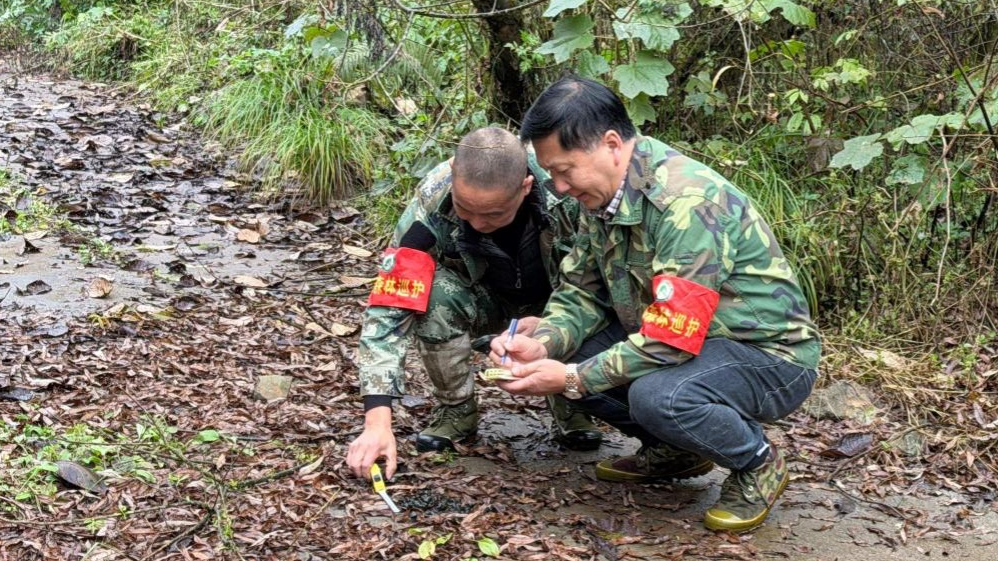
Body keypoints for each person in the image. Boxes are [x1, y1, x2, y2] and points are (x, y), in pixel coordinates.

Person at [490, 77, 821, 533]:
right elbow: (580, 292)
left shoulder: (687, 202)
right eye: (552, 175)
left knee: (658, 395)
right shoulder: (601, 198)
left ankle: (758, 463)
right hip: (689, 343)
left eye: (565, 171)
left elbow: (669, 341)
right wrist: (543, 343)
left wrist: (571, 379)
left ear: (611, 144)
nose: (560, 187)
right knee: (572, 352)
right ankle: (675, 450)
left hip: (768, 356)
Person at [347, 127, 603, 481]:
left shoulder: (565, 193)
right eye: (465, 209)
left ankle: (570, 402)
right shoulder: (432, 203)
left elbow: (598, 285)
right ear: (454, 172)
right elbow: (391, 305)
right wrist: (377, 422)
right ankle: (456, 410)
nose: (479, 224)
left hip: (556, 303)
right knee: (434, 295)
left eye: (495, 214)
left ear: (525, 186)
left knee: (587, 301)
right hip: (480, 297)